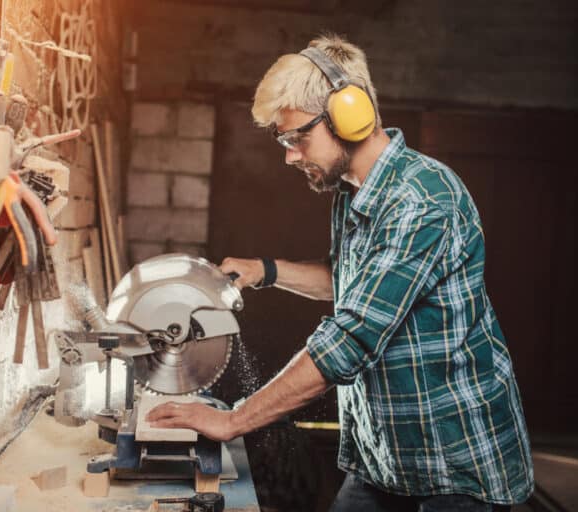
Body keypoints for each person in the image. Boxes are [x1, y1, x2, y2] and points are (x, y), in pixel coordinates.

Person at [145, 33, 533, 511]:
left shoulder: (422, 200)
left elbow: (352, 338)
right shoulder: (353, 192)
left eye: (298, 137)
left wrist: (233, 420)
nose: (290, 155)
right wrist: (265, 271)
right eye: (283, 140)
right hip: (382, 458)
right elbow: (352, 281)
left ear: (350, 115)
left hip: (452, 465)